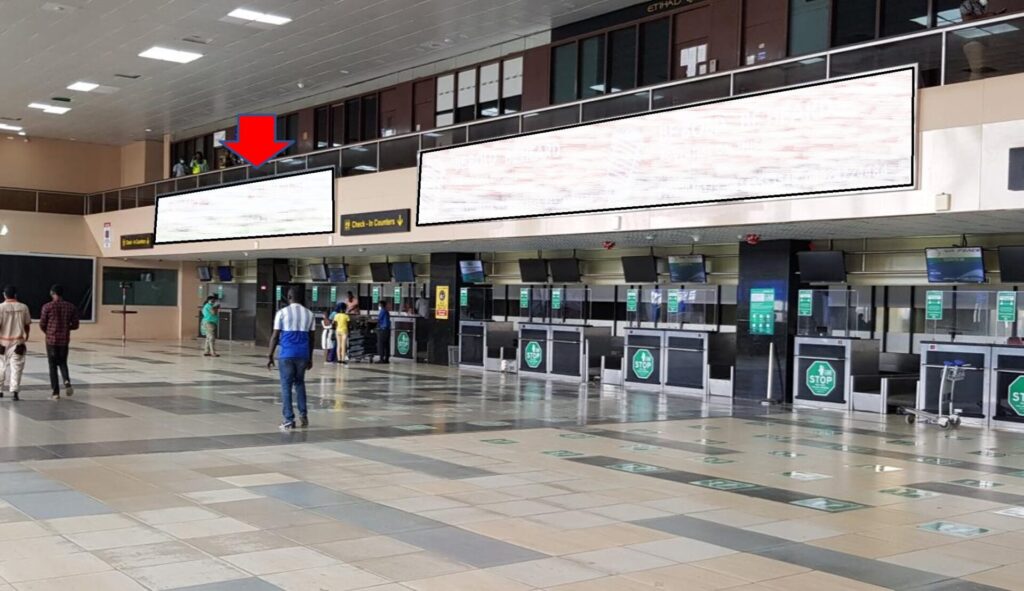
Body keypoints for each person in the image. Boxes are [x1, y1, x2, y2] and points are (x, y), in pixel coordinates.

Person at [267, 287, 315, 430]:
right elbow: (312, 338)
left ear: (289, 296)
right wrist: (310, 357)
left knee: (286, 386)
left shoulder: (282, 313)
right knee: (300, 383)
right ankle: (303, 414)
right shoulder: (309, 314)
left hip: (286, 354)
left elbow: (275, 336)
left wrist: (270, 355)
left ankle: (288, 419)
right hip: (303, 355)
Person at [39, 284, 80, 400]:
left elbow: (42, 323)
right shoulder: (71, 307)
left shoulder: (47, 307)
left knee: (52, 366)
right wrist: (67, 328)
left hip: (51, 341)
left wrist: (48, 332)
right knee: (63, 362)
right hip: (64, 340)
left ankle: (55, 392)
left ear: (52, 293)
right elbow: (76, 325)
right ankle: (66, 381)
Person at [0, 286, 32, 402]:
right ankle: (14, 392)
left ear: (4, 295)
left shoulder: (0, 308)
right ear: (16, 295)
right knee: (17, 367)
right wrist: (26, 336)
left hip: (2, 342)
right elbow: (27, 324)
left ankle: (0, 391)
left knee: (1, 366)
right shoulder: (23, 307)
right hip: (18, 342)